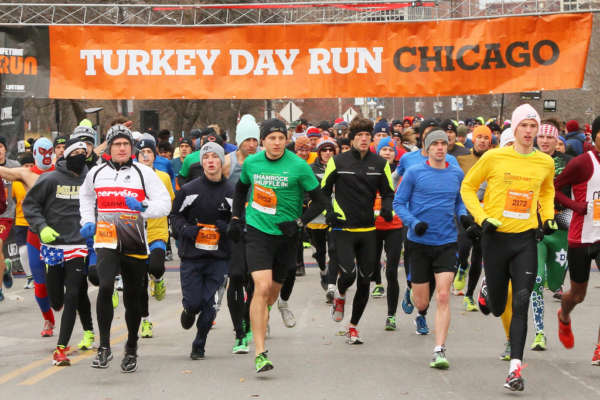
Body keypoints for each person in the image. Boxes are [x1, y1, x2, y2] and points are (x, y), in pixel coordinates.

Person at [461, 104, 556, 391]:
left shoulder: (545, 162)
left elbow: (547, 191)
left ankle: (515, 369)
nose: (528, 131)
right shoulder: (494, 157)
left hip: (525, 240)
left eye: (533, 126)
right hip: (495, 239)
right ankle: (487, 290)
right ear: (514, 128)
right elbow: (467, 187)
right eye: (523, 126)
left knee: (522, 301)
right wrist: (481, 218)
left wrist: (548, 217)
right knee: (498, 306)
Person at [228, 118, 327, 372]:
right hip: (258, 231)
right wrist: (236, 218)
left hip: (286, 236)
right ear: (263, 141)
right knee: (261, 287)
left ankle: (262, 313)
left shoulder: (298, 166)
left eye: (281, 138)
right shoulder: (252, 163)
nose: (276, 142)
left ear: (286, 140)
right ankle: (260, 352)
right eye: (271, 138)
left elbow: (321, 201)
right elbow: (240, 190)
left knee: (271, 294)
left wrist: (299, 222)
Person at [79, 124, 171, 372]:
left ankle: (131, 347)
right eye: (117, 144)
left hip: (134, 241)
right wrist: (87, 221)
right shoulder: (96, 173)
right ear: (109, 147)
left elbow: (165, 204)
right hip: (106, 241)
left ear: (132, 148)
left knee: (133, 297)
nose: (122, 148)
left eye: (126, 144)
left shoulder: (144, 173)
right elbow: (85, 197)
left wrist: (144, 207)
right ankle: (104, 347)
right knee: (105, 286)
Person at [394, 130, 470, 369]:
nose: (440, 147)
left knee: (444, 295)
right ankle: (414, 295)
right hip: (419, 243)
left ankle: (439, 350)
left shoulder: (456, 173)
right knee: (422, 303)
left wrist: (463, 216)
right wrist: (414, 222)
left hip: (446, 242)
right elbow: (399, 203)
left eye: (443, 143)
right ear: (427, 148)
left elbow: (459, 201)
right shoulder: (415, 173)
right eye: (434, 144)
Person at [321, 117, 395, 344]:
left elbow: (388, 192)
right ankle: (341, 295)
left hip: (368, 229)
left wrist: (387, 207)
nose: (363, 139)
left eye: (367, 135)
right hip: (343, 228)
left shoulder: (380, 164)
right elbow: (323, 192)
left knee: (365, 280)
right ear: (352, 139)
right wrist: (329, 212)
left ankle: (353, 327)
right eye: (359, 135)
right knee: (348, 275)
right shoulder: (338, 161)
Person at [23, 139, 94, 366]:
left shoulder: (90, 180)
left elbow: (100, 204)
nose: (80, 155)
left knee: (73, 293)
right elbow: (30, 206)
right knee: (56, 301)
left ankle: (61, 349)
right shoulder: (50, 179)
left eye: (84, 152)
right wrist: (41, 227)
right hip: (53, 247)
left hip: (78, 245)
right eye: (76, 152)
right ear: (66, 155)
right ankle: (57, 309)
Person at [171, 142, 233, 359]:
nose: (210, 161)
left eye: (215, 157)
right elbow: (175, 216)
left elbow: (241, 221)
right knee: (194, 303)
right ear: (202, 163)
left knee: (210, 306)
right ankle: (189, 310)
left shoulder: (232, 192)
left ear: (221, 161)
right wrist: (185, 230)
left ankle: (199, 343)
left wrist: (229, 228)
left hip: (219, 257)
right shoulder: (189, 190)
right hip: (192, 256)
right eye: (206, 158)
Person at [553, 115, 600, 365]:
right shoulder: (583, 163)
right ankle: (564, 315)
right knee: (577, 295)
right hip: (581, 237)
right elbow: (555, 188)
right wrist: (574, 205)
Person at [0, 138, 56, 335]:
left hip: (60, 235)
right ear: (35, 153)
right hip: (35, 234)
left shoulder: (62, 170)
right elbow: (4, 171)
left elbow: (88, 156)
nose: (46, 156)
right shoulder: (26, 173)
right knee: (40, 285)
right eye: (42, 151)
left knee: (66, 284)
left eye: (49, 151)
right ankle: (48, 320)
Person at [225, 114, 260, 354]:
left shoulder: (263, 162)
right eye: (247, 140)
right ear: (239, 141)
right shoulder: (228, 163)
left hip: (260, 227)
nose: (252, 144)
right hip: (235, 226)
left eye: (255, 140)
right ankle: (239, 332)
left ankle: (250, 319)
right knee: (236, 277)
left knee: (254, 281)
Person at [136, 138, 175, 338]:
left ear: (155, 155)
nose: (145, 155)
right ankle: (146, 320)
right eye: (142, 152)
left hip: (158, 230)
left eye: (149, 152)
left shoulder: (163, 177)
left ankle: (158, 279)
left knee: (156, 267)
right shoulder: (131, 178)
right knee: (140, 282)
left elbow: (170, 202)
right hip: (136, 233)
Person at [454, 126, 493, 311]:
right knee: (463, 246)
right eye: (479, 137)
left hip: (486, 212)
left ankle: (469, 295)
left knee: (479, 253)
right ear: (474, 139)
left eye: (486, 138)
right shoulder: (462, 159)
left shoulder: (495, 160)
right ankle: (462, 266)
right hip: (466, 210)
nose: (483, 141)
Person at [372, 137, 405, 331]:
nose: (387, 153)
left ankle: (391, 315)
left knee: (392, 271)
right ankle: (377, 282)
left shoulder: (402, 174)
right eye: (383, 149)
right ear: (378, 152)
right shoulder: (371, 170)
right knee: (370, 265)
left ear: (395, 153)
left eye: (390, 150)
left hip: (395, 226)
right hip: (373, 226)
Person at [307, 138, 339, 302]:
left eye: (330, 150)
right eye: (324, 150)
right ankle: (323, 271)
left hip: (335, 215)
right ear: (319, 153)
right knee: (320, 252)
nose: (327, 153)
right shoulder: (311, 169)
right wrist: (309, 203)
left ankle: (331, 285)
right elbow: (305, 191)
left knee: (334, 249)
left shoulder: (340, 167)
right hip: (317, 217)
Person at [0, 136, 20, 301]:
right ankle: (5, 268)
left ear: (5, 149)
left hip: (6, 215)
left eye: (0, 146)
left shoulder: (14, 166)